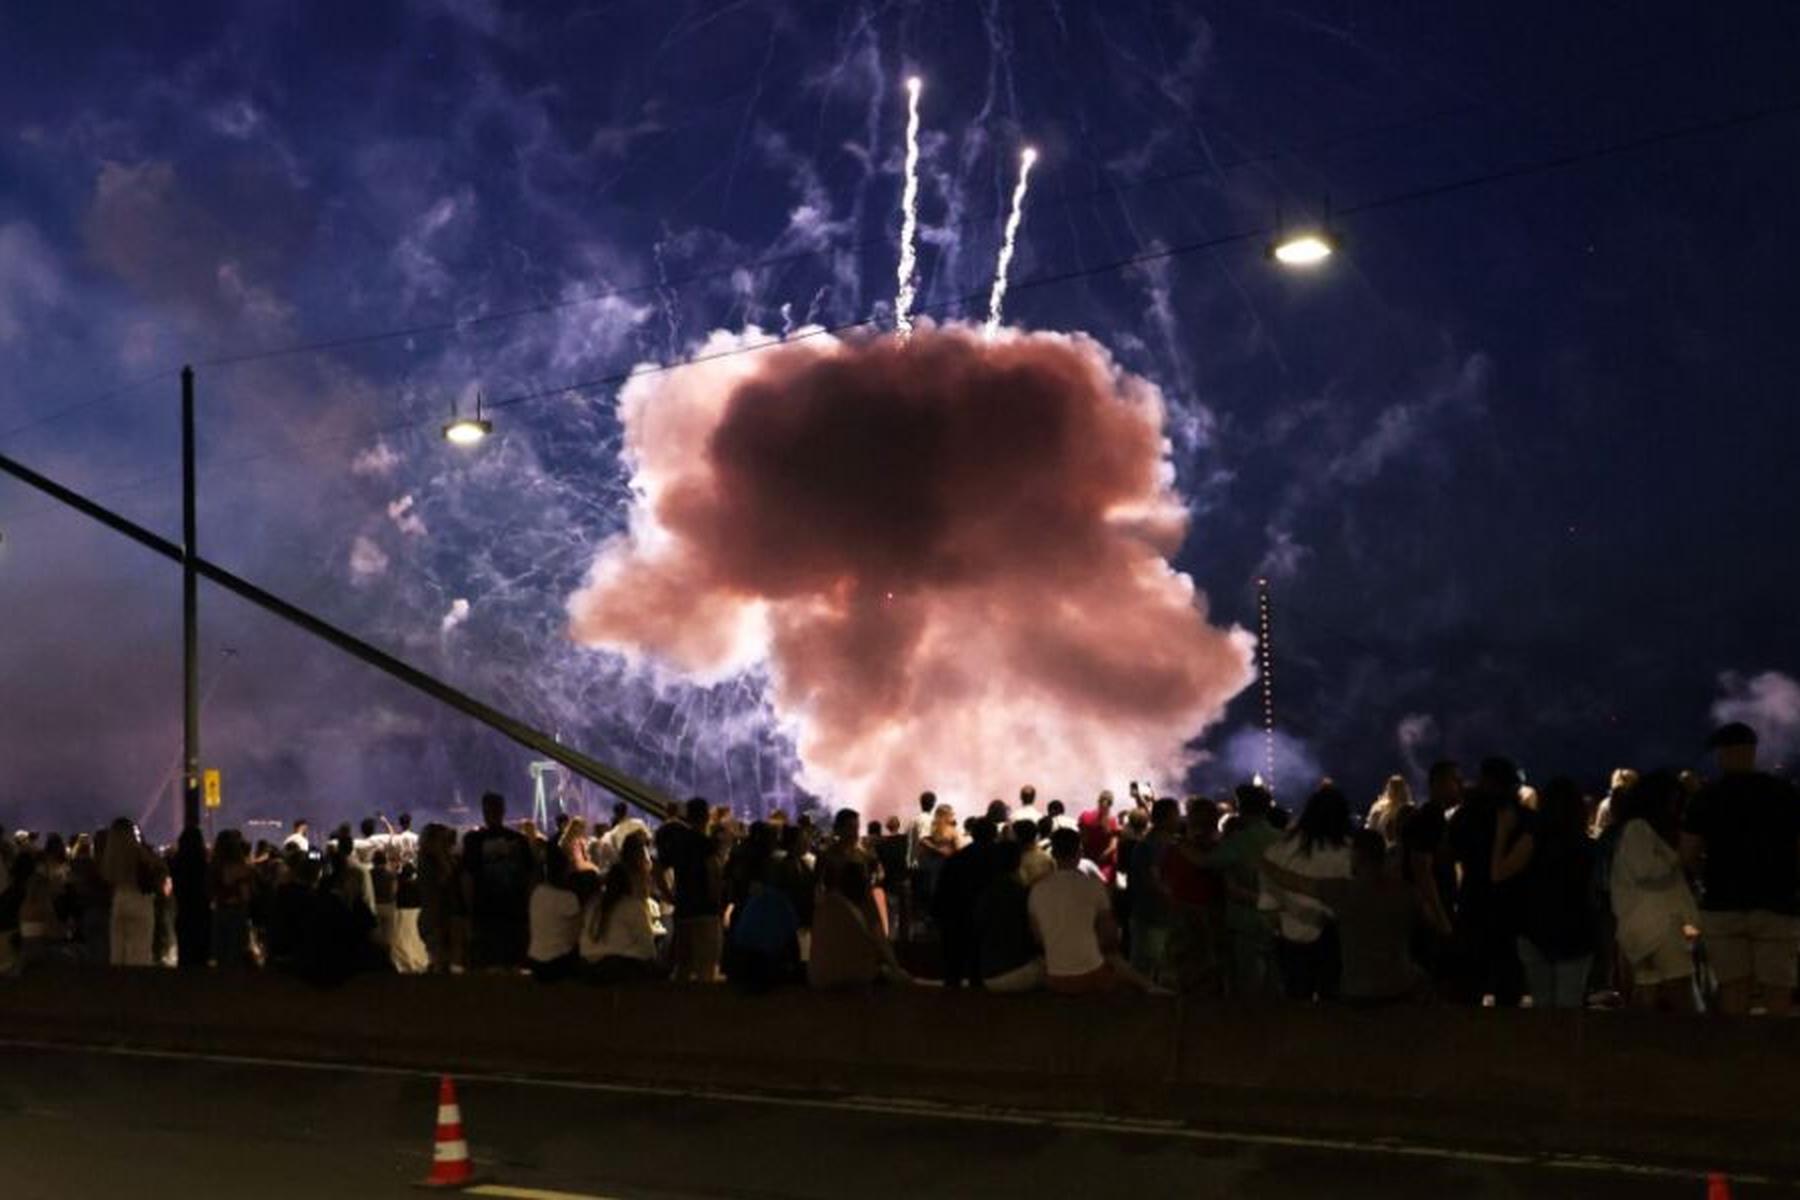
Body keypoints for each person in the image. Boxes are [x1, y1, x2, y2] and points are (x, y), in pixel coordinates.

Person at [1681, 722, 1800, 1016]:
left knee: (1733, 989)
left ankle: (1738, 1045)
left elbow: (1687, 853)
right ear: (1752, 752)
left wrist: (1703, 875)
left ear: (1723, 753)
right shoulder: (1784, 793)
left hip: (1723, 904)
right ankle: (1775, 1045)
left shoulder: (1707, 797)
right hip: (1777, 903)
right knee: (1778, 990)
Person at [1262, 829, 1424, 1004]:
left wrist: (1263, 862)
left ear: (1357, 855)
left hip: (1360, 989)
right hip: (1400, 985)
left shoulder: (1343, 891)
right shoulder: (1407, 892)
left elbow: (1292, 881)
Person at [1494, 776, 1595, 1008]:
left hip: (1535, 929)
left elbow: (1498, 873)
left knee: (1542, 1007)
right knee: (1568, 1007)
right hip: (1576, 933)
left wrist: (1502, 832)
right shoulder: (1586, 846)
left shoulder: (1533, 839)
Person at [1029, 828, 1161, 994]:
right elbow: (1109, 935)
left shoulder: (1037, 889)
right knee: (1116, 961)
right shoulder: (1093, 885)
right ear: (1079, 853)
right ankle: (1151, 986)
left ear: (1053, 854)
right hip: (1093, 974)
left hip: (1054, 976)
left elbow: (1038, 937)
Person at [1610, 769, 1699, 1011]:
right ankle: (1693, 1034)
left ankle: (1644, 1034)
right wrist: (1678, 859)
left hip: (1641, 925)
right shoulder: (1639, 829)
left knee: (1648, 986)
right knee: (1680, 984)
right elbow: (1645, 869)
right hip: (1661, 924)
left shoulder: (1633, 829)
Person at [1260, 784, 1353, 1001]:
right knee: (1332, 998)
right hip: (1334, 936)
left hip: (1289, 933)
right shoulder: (1349, 852)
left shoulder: (1279, 850)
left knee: (1296, 999)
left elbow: (1268, 903)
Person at [1447, 758, 1527, 1006]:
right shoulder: (1518, 816)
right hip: (1511, 904)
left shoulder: (1466, 815)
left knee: (1469, 984)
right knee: (1508, 983)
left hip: (1473, 901)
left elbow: (1451, 852)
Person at [1204, 783, 1282, 999]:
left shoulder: (1238, 841)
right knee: (1275, 987)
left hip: (1245, 921)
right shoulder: (1281, 839)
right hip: (1278, 920)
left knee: (1246, 988)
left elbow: (1209, 863)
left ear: (1241, 808)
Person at [460, 792, 535, 971]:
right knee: (513, 965)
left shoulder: (473, 841)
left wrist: (469, 911)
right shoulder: (519, 840)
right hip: (513, 912)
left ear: (484, 812)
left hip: (485, 912)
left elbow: (467, 878)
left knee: (487, 966)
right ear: (503, 810)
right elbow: (531, 878)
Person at [809, 861, 911, 989]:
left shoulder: (824, 906)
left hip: (820, 976)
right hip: (857, 974)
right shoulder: (862, 905)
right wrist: (896, 969)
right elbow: (881, 942)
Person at [657, 797, 724, 982]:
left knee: (683, 966)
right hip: (705, 911)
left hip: (683, 910)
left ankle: (680, 999)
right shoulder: (707, 844)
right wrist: (717, 900)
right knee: (706, 967)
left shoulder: (679, 842)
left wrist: (668, 895)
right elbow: (713, 873)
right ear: (706, 817)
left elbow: (657, 868)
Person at [580, 833, 661, 981]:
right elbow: (648, 949)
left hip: (589, 968)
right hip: (619, 968)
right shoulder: (631, 906)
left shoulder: (594, 903)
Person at [931, 817, 1001, 987]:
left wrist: (938, 915)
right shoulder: (1000, 859)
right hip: (990, 919)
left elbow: (942, 889)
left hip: (958, 916)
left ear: (973, 834)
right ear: (994, 835)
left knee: (954, 967)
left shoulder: (957, 858)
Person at [1126, 798, 1181, 984]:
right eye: (1176, 814)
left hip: (1158, 915)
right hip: (1151, 917)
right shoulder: (1149, 846)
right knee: (1146, 970)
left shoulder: (1168, 844)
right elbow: (1153, 880)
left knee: (1159, 968)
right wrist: (1175, 900)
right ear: (1165, 818)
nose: (1179, 819)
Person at [976, 841, 1043, 992]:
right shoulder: (1023, 894)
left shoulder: (985, 894)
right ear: (1018, 862)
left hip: (989, 972)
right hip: (1018, 968)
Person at [99, 818, 157, 967]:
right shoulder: (139, 852)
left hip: (119, 900)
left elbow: (107, 878)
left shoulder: (110, 857)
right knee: (139, 953)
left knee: (118, 953)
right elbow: (156, 870)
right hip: (139, 900)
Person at [526, 848, 583, 982]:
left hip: (535, 961)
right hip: (558, 962)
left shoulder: (537, 893)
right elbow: (579, 931)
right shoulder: (568, 898)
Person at [170, 827, 211, 970]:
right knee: (200, 954)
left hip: (183, 911)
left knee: (185, 952)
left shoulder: (176, 864)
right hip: (201, 912)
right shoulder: (204, 864)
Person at [1078, 791, 1121, 883]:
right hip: (1105, 865)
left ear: (1098, 800)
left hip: (1086, 861)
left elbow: (1082, 839)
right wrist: (1101, 858)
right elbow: (1113, 846)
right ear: (1111, 804)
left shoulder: (1085, 816)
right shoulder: (1112, 821)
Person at [1367, 776, 1414, 847]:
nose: (1395, 791)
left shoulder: (1408, 810)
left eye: (1397, 788)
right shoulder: (1379, 808)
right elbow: (1371, 830)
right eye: (1394, 787)